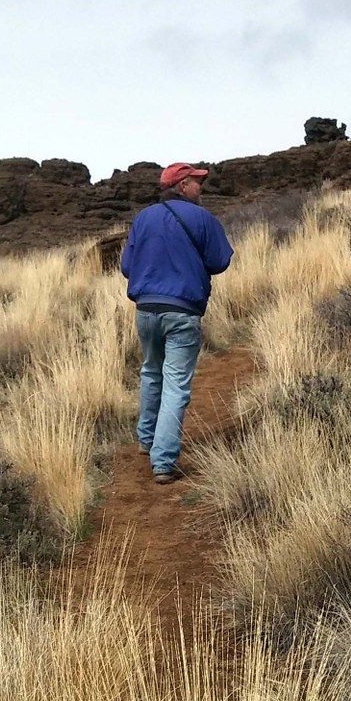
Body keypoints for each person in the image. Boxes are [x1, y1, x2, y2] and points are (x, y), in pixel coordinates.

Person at [118, 162, 233, 483]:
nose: (201, 187)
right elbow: (220, 262)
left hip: (145, 309)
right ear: (182, 185)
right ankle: (164, 460)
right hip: (182, 310)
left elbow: (127, 266)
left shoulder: (142, 218)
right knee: (176, 383)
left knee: (151, 371)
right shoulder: (204, 219)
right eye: (196, 182)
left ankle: (146, 439)